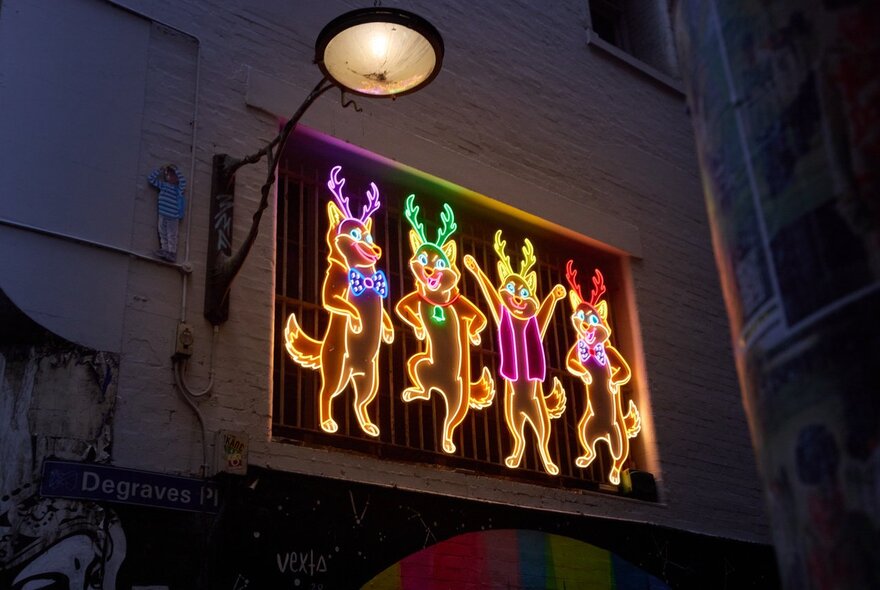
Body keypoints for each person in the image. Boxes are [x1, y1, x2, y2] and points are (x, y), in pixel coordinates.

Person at [147, 164, 186, 262]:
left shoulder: (178, 189)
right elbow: (151, 179)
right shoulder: (163, 185)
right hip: (162, 213)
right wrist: (160, 169)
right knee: (162, 232)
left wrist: (176, 170)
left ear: (176, 177)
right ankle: (164, 249)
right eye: (168, 175)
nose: (169, 177)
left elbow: (183, 182)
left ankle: (172, 252)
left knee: (171, 234)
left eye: (172, 175)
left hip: (173, 216)